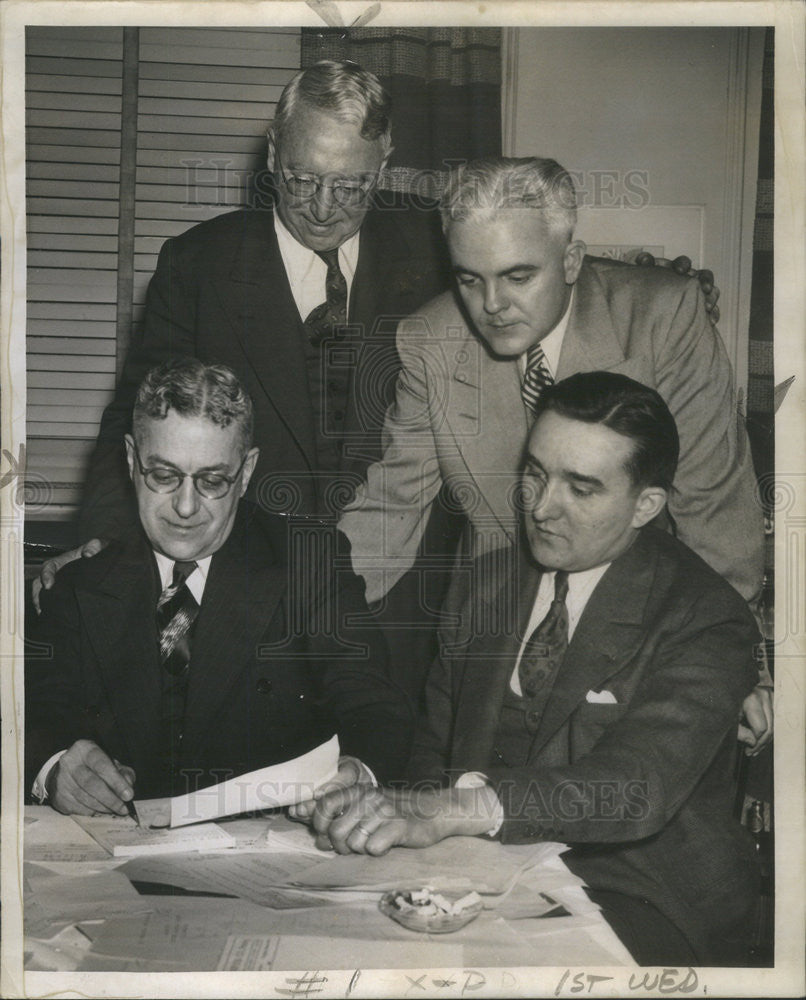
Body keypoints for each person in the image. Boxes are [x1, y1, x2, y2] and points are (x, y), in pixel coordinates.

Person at [302, 372, 762, 967]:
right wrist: (373, 796)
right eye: (536, 473)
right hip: (476, 880)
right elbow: (433, 754)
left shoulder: (706, 617)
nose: (542, 508)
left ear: (646, 504)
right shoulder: (485, 583)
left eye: (582, 488)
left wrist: (453, 811)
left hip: (642, 896)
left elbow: (637, 786)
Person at [338, 156, 771, 751]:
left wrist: (732, 661)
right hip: (497, 642)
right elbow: (388, 513)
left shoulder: (664, 319)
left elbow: (717, 509)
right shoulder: (428, 342)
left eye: (518, 276)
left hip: (644, 635)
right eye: (469, 278)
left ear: (571, 260)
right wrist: (300, 616)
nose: (491, 305)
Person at [26, 359, 413, 813]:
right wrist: (54, 769)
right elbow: (35, 719)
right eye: (164, 476)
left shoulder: (309, 560)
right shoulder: (77, 585)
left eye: (212, 480)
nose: (185, 507)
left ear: (246, 472)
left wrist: (358, 773)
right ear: (132, 460)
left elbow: (375, 704)